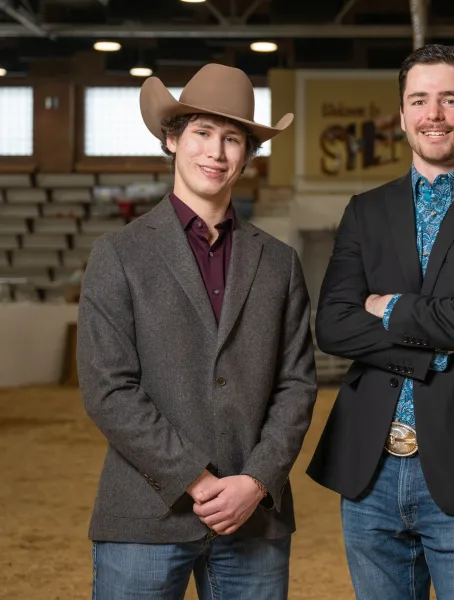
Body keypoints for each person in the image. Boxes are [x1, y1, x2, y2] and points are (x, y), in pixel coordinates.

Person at [307, 44, 454, 600]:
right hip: (370, 468)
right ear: (402, 114)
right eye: (419, 100)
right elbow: (334, 326)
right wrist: (441, 341)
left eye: (450, 99)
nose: (433, 114)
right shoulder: (365, 209)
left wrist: (385, 306)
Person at [76, 63, 317, 600]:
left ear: (248, 156)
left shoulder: (279, 263)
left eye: (233, 139)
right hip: (144, 513)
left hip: (254, 519)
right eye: (202, 133)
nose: (216, 151)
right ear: (172, 139)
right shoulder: (118, 255)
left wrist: (254, 483)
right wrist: (197, 480)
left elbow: (297, 385)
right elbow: (108, 389)